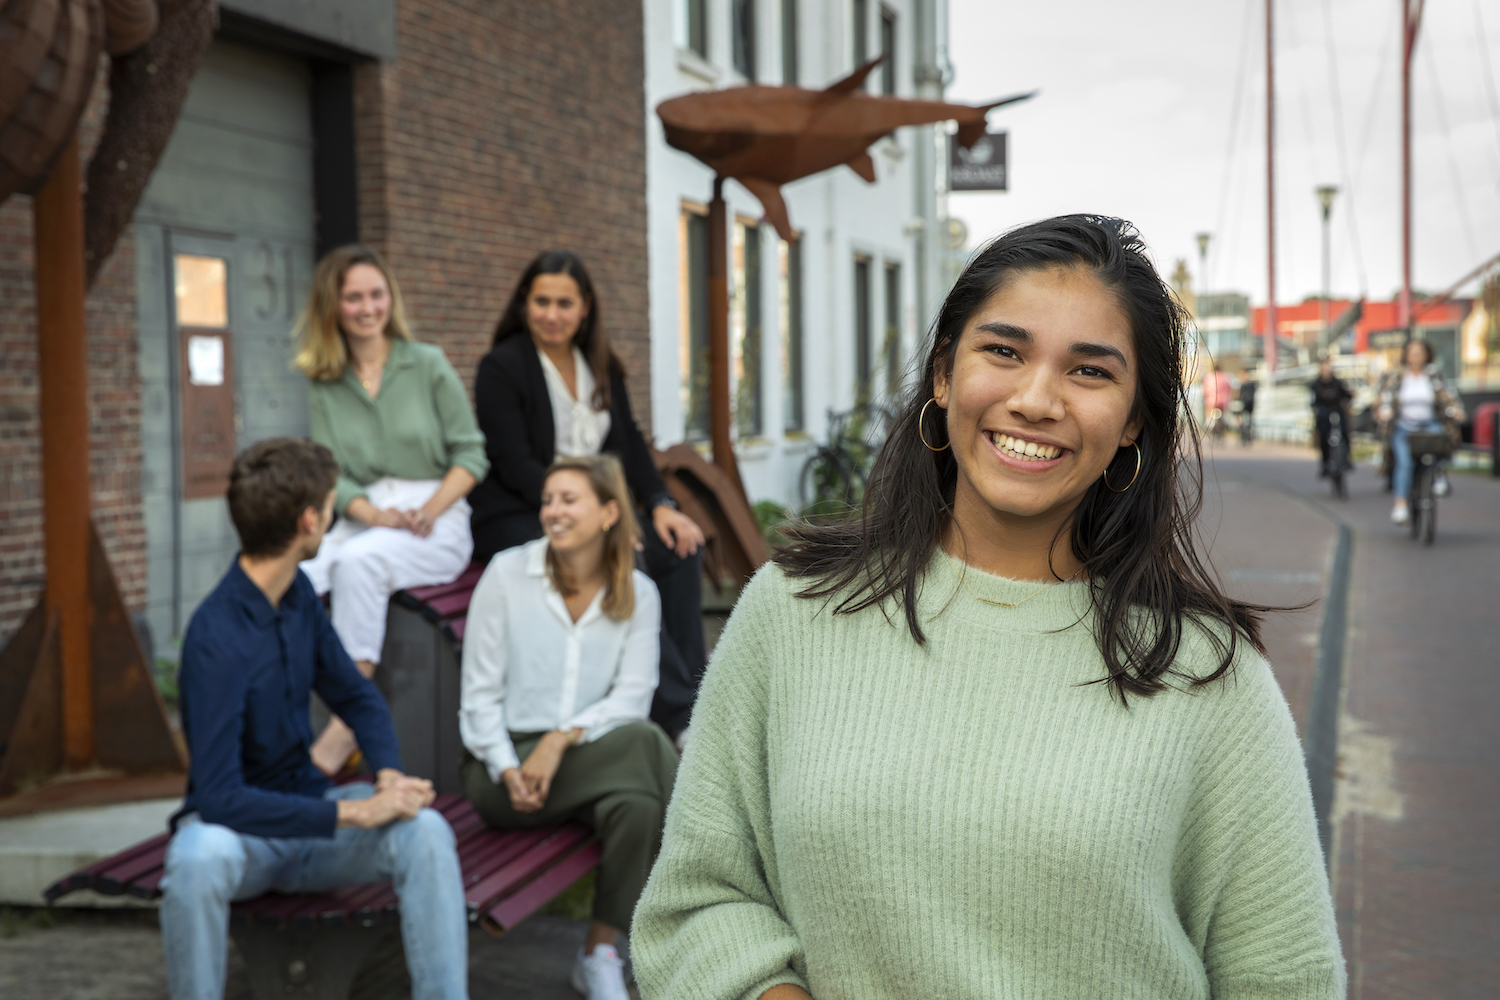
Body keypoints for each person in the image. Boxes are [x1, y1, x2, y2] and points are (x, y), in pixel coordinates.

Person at [632, 216, 1344, 1000]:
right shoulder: (796, 609)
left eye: (1091, 372)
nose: (1035, 399)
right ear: (943, 374)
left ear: (1136, 418)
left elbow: (1288, 979)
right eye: (1003, 351)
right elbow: (697, 900)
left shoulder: (1208, 676)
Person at [160, 438, 467, 1000]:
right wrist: (355, 812)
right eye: (331, 504)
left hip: (312, 827)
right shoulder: (215, 636)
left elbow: (357, 696)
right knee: (196, 859)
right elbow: (220, 797)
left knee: (426, 831)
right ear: (309, 520)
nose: (334, 513)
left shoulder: (297, 593)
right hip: (242, 840)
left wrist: (389, 777)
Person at [460, 454, 678, 1000]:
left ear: (608, 513)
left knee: (638, 804)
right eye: (548, 500)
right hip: (500, 774)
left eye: (568, 499)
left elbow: (632, 696)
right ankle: (701, 907)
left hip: (587, 761)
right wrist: (510, 765)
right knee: (649, 745)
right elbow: (478, 698)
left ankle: (598, 953)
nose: (553, 511)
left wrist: (561, 739)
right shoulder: (508, 575)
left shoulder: (638, 593)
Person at [469, 250, 706, 739]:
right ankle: (679, 719)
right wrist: (597, 517)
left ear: (585, 308)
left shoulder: (600, 365)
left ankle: (700, 695)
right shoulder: (502, 367)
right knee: (622, 554)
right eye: (540, 302)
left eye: (563, 303)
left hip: (596, 510)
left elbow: (632, 448)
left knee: (681, 548)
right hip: (522, 510)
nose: (551, 314)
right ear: (523, 304)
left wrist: (662, 505)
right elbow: (514, 464)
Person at [293, 245, 489, 775]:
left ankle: (345, 725)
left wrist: (428, 508)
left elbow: (471, 453)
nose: (366, 307)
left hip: (438, 515)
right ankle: (275, 718)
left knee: (360, 565)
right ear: (332, 306)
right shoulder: (324, 381)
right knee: (294, 578)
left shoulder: (426, 364)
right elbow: (334, 470)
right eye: (353, 297)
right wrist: (374, 514)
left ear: (390, 299)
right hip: (365, 515)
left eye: (375, 294)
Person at [1377, 338, 1465, 524]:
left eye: (1420, 353)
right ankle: (1400, 506)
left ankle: (1439, 474)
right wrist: (1384, 411)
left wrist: (1457, 410)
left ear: (1427, 355)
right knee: (1404, 463)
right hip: (1404, 427)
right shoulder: (1397, 376)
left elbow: (1448, 395)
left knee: (1443, 437)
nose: (1416, 357)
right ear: (1406, 356)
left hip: (1429, 424)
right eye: (1412, 353)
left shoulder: (1433, 375)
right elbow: (1386, 397)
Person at [1310, 357, 1353, 476]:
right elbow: (1312, 401)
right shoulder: (1316, 385)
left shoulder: (1337, 383)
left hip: (1337, 411)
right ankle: (1325, 463)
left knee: (1345, 432)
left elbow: (1347, 396)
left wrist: (1351, 397)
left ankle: (1347, 459)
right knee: (1324, 436)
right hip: (1323, 413)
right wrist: (1316, 410)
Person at [1202, 361, 1233, 439]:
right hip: (1223, 401)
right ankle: (1222, 427)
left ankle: (1209, 427)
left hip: (1211, 401)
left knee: (1209, 415)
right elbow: (1230, 389)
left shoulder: (1209, 377)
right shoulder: (1225, 377)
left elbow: (1204, 390)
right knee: (1222, 416)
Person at [1237, 371, 1257, 447]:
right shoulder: (1252, 384)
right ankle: (1248, 435)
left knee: (1244, 421)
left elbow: (1239, 395)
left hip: (1245, 405)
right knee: (1248, 421)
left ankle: (1244, 436)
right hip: (1250, 405)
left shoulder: (1243, 385)